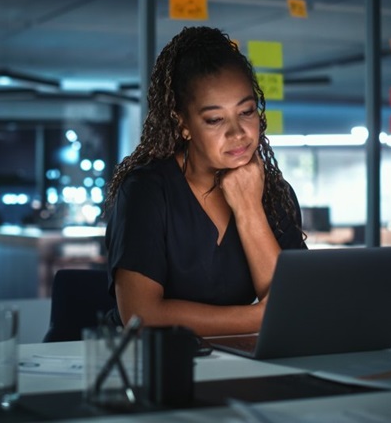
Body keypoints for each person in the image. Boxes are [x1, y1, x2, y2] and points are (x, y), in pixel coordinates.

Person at [103, 26, 307, 337]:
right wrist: (258, 318)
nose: (237, 133)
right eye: (215, 119)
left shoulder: (275, 193)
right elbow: (139, 314)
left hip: (232, 361)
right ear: (183, 123)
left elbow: (299, 302)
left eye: (247, 112)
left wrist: (249, 208)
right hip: (148, 364)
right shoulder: (146, 191)